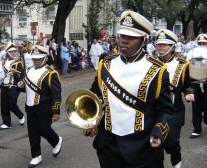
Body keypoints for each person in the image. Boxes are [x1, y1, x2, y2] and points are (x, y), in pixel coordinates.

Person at [87, 10, 173, 168]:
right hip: (108, 145)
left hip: (143, 146)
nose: (124, 41)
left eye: (131, 37)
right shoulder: (105, 64)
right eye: (122, 36)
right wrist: (91, 121)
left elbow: (166, 109)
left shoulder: (157, 69)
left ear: (144, 40)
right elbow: (96, 95)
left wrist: (159, 131)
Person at [155, 29, 191, 168]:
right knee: (154, 144)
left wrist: (189, 92)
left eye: (164, 44)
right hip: (155, 111)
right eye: (159, 44)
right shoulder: (150, 64)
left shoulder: (182, 65)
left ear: (172, 46)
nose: (160, 47)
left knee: (171, 143)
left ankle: (177, 164)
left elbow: (189, 83)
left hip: (174, 111)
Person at [23, 45, 62, 167]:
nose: (36, 61)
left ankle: (56, 140)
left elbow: (56, 93)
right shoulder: (28, 70)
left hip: (44, 107)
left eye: (39, 59)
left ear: (45, 58)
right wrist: (18, 85)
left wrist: (56, 111)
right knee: (32, 132)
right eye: (34, 59)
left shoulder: (51, 73)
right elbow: (26, 88)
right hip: (30, 106)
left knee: (44, 129)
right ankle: (36, 156)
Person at [185, 33, 207, 138]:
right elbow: (187, 68)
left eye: (204, 43)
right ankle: (197, 129)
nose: (202, 45)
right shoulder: (191, 53)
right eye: (200, 43)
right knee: (196, 107)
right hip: (196, 83)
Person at [0, 43, 25, 130]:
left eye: (15, 51)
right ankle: (7, 123)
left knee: (11, 103)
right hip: (4, 85)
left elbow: (21, 75)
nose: (14, 53)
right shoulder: (3, 62)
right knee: (4, 105)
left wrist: (15, 73)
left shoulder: (18, 63)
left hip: (14, 86)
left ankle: (20, 115)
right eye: (11, 51)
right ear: (7, 52)